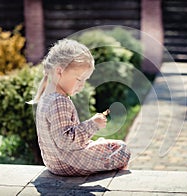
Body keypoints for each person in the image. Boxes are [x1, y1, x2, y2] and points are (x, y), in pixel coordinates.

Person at [28, 39, 130, 176]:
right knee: (122, 150)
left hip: (54, 162)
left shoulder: (46, 97)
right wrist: (93, 125)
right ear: (59, 72)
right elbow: (66, 141)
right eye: (79, 79)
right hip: (68, 163)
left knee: (105, 145)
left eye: (85, 80)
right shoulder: (59, 101)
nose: (82, 85)